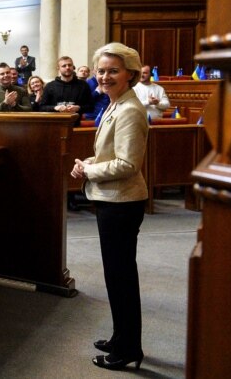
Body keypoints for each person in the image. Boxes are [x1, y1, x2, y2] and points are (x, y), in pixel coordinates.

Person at [70, 42, 148, 371]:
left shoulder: (130, 109)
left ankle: (129, 348)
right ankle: (121, 337)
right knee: (116, 276)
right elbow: (109, 155)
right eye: (101, 70)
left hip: (122, 202)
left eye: (113, 70)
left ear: (130, 73)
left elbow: (128, 164)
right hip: (112, 200)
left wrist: (89, 171)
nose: (104, 76)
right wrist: (87, 162)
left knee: (121, 277)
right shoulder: (115, 103)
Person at [38, 56, 94, 122]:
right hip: (54, 123)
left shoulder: (83, 85)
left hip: (75, 124)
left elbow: (91, 106)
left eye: (70, 65)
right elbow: (42, 107)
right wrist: (55, 108)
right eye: (64, 66)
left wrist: (78, 108)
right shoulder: (50, 86)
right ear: (58, 68)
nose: (67, 67)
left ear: (73, 67)